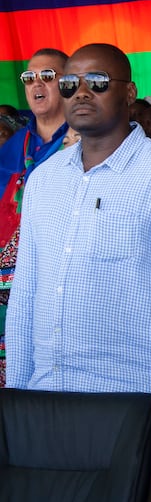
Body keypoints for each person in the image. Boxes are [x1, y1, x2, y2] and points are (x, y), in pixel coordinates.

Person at [5, 43, 151, 394]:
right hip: (44, 394)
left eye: (97, 81)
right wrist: (17, 396)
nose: (81, 93)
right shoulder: (44, 179)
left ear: (128, 92)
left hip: (133, 402)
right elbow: (24, 296)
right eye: (70, 84)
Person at [0, 48, 69, 387]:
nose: (36, 84)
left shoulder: (83, 142)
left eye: (47, 76)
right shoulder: (13, 147)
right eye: (29, 78)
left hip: (55, 278)